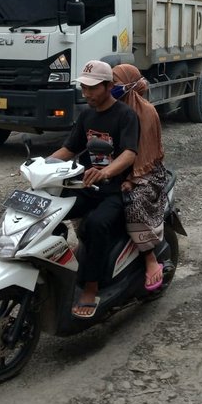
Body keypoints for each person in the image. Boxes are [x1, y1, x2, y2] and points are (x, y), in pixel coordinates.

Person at [50, 60, 139, 319]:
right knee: (51, 212)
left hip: (114, 190)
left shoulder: (125, 115)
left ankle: (91, 287)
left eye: (92, 88)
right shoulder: (86, 115)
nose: (86, 93)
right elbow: (69, 149)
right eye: (84, 88)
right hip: (86, 186)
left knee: (96, 225)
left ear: (109, 86)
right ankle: (57, 266)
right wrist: (42, 166)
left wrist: (106, 172)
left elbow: (129, 153)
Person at [111, 63, 168, 292]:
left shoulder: (146, 113)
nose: (110, 89)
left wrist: (131, 179)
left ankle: (149, 258)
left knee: (132, 203)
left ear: (128, 85)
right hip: (117, 171)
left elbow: (147, 154)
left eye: (115, 84)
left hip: (147, 173)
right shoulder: (109, 109)